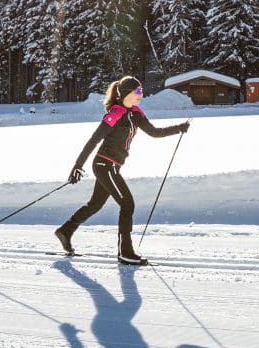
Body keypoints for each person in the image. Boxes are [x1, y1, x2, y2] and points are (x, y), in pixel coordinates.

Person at [55, 76, 188, 265]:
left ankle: (65, 230)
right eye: (138, 92)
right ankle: (125, 252)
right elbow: (94, 140)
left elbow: (154, 132)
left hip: (112, 167)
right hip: (104, 165)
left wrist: (179, 128)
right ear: (126, 93)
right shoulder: (115, 113)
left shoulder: (136, 113)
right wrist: (78, 166)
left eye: (141, 91)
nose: (141, 95)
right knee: (127, 204)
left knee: (95, 204)